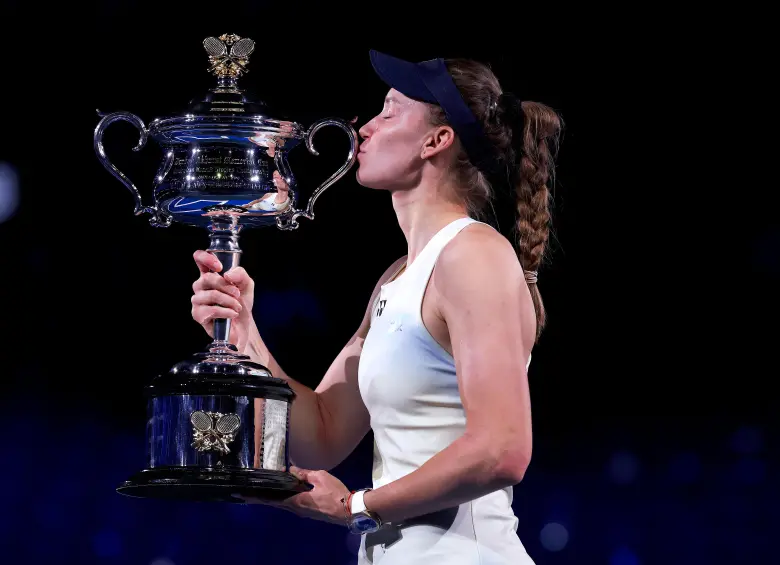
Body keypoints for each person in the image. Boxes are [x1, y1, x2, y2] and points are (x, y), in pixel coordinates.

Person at [190, 49, 563, 564]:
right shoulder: (397, 278)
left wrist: (356, 507)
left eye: (389, 112)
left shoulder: (473, 255)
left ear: (436, 141)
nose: (364, 128)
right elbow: (321, 434)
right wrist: (243, 334)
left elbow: (503, 449)